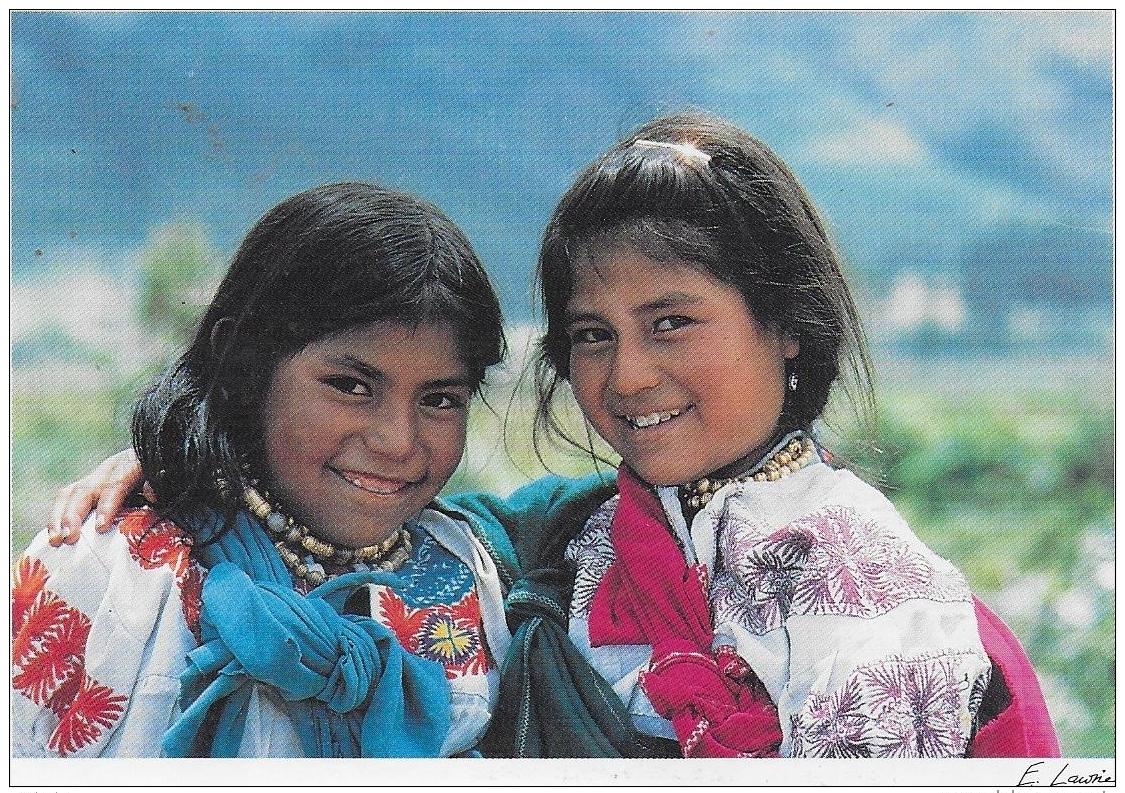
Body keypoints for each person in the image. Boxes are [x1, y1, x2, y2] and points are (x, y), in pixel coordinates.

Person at [39, 114, 1059, 759]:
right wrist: (190, 453)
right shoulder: (563, 540)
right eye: (590, 336)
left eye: (671, 322)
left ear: (787, 323)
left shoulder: (866, 580)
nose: (626, 375)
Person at [13, 181, 586, 758]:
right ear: (245, 367)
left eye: (439, 398)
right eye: (350, 386)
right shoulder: (115, 569)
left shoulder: (475, 566)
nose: (397, 440)